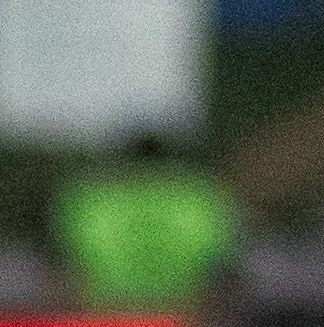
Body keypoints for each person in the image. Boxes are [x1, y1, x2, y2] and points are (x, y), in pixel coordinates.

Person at [54, 134, 240, 312]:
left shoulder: (90, 200)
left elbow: (70, 265)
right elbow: (221, 265)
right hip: (181, 319)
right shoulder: (201, 198)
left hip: (109, 318)